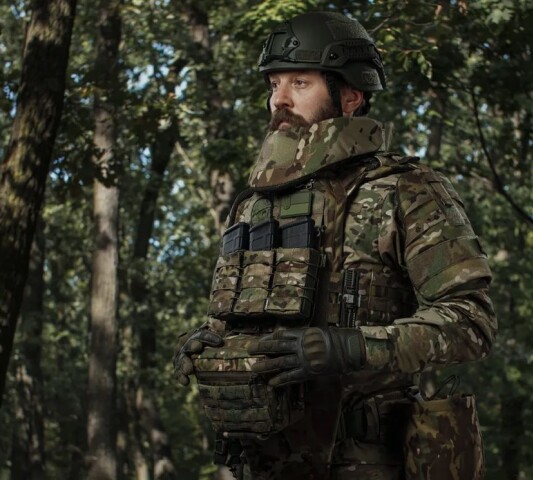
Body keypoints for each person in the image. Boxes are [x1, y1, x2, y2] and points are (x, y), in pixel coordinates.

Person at [173, 11, 497, 480]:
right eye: (274, 84)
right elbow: (235, 320)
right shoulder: (253, 206)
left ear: (351, 95)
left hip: (367, 462)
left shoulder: (405, 189)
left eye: (300, 83)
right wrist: (204, 343)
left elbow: (472, 320)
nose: (279, 99)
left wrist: (351, 347)